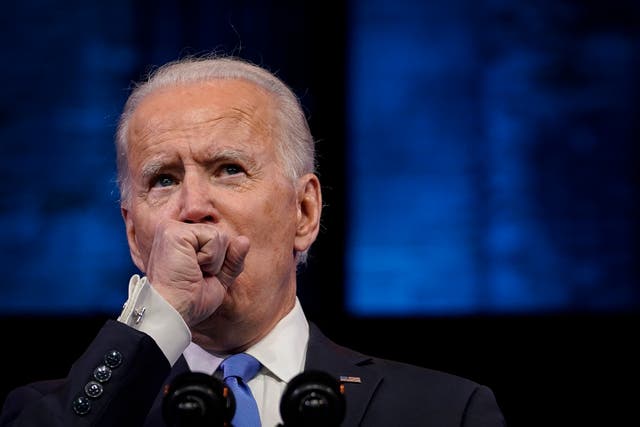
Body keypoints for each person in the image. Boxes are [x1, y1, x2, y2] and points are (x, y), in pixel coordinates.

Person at [0, 55, 506, 426]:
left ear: (304, 212)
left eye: (228, 169)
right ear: (135, 234)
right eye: (164, 180)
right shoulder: (48, 411)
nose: (193, 205)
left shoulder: (444, 411)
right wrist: (157, 314)